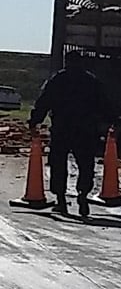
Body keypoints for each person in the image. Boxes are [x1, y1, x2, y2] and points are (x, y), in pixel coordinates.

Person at [28, 50, 111, 216]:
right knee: (86, 163)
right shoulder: (91, 81)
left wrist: (35, 121)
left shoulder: (57, 79)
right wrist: (111, 121)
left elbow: (44, 101)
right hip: (86, 129)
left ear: (66, 62)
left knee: (58, 163)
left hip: (62, 128)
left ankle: (60, 199)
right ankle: (83, 195)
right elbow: (104, 103)